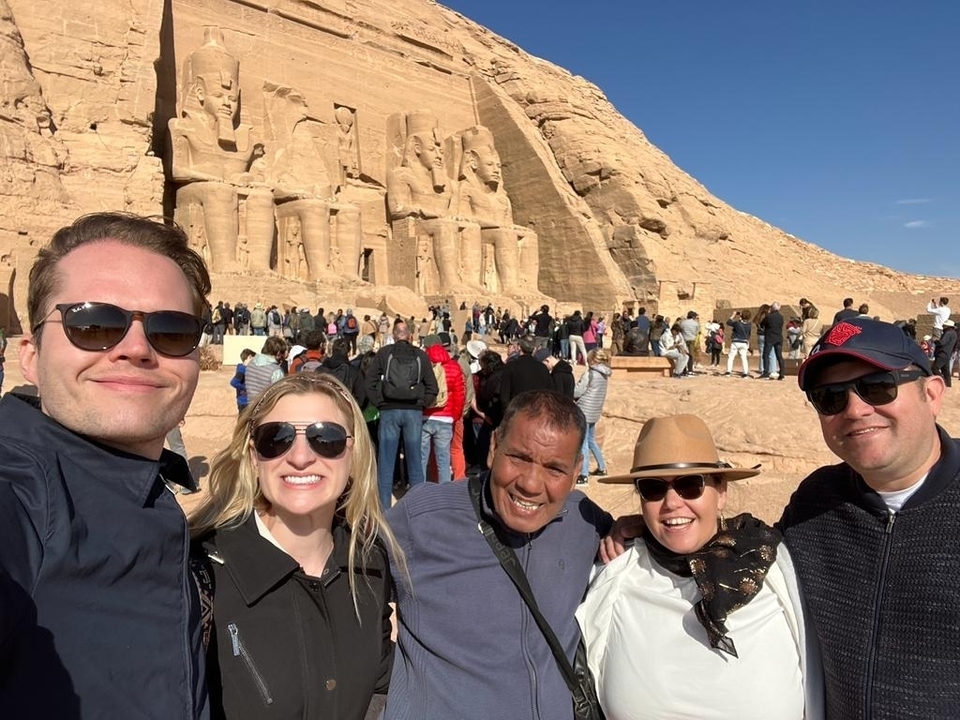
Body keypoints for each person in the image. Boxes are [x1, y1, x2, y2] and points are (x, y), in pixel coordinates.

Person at [0, 212, 210, 718]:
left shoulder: (152, 494)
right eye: (93, 324)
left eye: (171, 330)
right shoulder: (18, 490)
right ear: (30, 355)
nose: (136, 349)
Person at [384, 390, 614, 720]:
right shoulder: (423, 518)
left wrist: (629, 530)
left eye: (554, 469)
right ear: (494, 447)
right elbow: (342, 579)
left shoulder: (585, 521)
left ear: (577, 470)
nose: (531, 484)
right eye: (518, 458)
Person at [190, 373, 404, 720]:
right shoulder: (202, 574)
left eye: (326, 438)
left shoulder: (368, 562)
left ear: (353, 455)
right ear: (254, 456)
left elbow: (380, 682)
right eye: (276, 438)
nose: (301, 457)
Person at [581, 415, 823, 719]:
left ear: (721, 492)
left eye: (689, 485)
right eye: (653, 488)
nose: (671, 503)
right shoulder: (614, 577)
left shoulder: (778, 570)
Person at [781, 317, 959, 717]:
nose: (855, 410)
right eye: (830, 397)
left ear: (932, 394)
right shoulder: (814, 502)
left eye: (878, 386)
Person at [365, 319, 438, 507]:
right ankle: (417, 506)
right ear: (410, 336)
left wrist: (380, 403)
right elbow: (433, 387)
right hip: (413, 412)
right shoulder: (420, 355)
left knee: (386, 462)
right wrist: (421, 404)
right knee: (415, 461)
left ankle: (384, 508)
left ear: (394, 335)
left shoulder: (384, 353)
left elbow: (369, 383)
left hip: (389, 411)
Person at [421, 335, 466, 484]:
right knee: (443, 458)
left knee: (422, 458)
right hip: (446, 418)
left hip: (425, 416)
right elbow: (460, 395)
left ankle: (420, 489)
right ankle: (444, 489)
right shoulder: (454, 366)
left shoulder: (424, 365)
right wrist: (454, 416)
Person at [574, 348, 611, 483]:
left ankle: (584, 475)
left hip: (584, 409)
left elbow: (578, 391)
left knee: (583, 443)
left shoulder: (589, 374)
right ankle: (602, 467)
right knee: (591, 440)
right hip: (595, 410)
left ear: (592, 360)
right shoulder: (605, 374)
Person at [499, 334, 553, 410]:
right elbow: (550, 393)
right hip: (537, 411)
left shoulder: (511, 367)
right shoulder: (542, 368)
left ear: (518, 347)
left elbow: (504, 396)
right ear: (534, 349)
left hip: (517, 411)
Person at [245, 335, 287, 400]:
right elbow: (280, 395)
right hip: (268, 405)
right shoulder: (276, 371)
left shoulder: (251, 363)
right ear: (278, 353)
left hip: (251, 404)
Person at [760, 301, 785, 380]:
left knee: (766, 355)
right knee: (779, 356)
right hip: (779, 338)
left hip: (770, 338)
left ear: (772, 308)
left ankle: (766, 372)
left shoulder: (769, 316)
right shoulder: (781, 317)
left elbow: (762, 324)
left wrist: (768, 313)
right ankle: (782, 374)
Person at [725, 309, 752, 377]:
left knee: (731, 357)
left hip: (735, 342)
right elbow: (749, 334)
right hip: (744, 342)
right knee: (744, 358)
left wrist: (733, 315)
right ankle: (745, 373)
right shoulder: (749, 325)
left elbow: (728, 322)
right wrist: (742, 316)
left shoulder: (737, 323)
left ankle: (728, 372)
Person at [230, 347, 257, 414]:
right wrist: (246, 388)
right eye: (254, 359)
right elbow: (234, 382)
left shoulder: (243, 368)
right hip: (244, 401)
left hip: (244, 400)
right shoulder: (242, 370)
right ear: (250, 357)